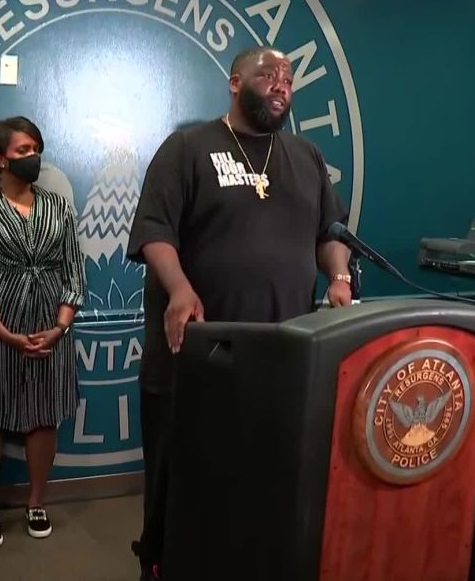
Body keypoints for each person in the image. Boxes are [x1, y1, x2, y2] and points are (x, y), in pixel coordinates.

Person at [126, 46, 353, 581]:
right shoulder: (187, 149)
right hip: (197, 357)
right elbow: (155, 231)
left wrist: (339, 277)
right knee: (179, 488)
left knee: (263, 486)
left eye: (288, 78)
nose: (280, 85)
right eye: (267, 75)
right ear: (234, 82)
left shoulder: (306, 157)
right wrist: (180, 288)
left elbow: (330, 233)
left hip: (283, 358)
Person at [0, 117, 86, 547]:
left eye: (36, 148)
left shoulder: (59, 208)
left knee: (44, 415)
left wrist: (59, 328)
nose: (32, 157)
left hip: (52, 330)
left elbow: (74, 274)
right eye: (22, 151)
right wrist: (6, 335)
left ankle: (36, 501)